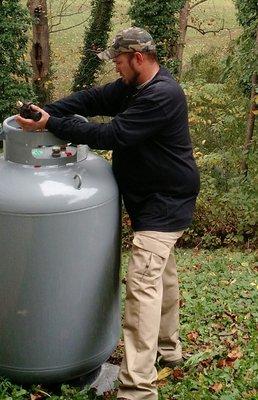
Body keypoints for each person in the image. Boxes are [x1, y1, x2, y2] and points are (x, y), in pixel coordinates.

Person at [16, 27, 200, 400]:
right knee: (162, 277)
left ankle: (137, 389)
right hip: (151, 197)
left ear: (138, 58)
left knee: (142, 287)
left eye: (118, 61)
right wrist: (49, 110)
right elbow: (94, 98)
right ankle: (169, 351)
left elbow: (111, 135)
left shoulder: (162, 94)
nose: (116, 68)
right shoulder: (134, 87)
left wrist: (51, 125)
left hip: (166, 201)